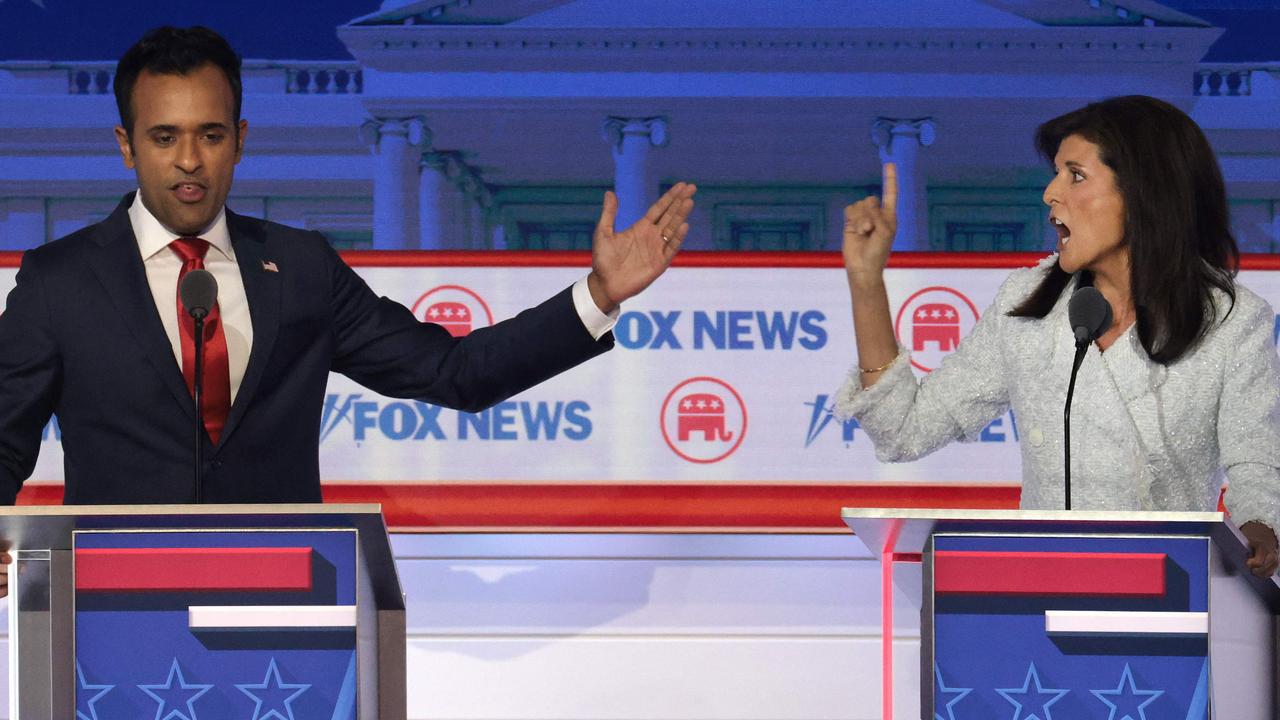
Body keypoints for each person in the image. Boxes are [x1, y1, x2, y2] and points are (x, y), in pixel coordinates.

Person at [0, 24, 696, 508]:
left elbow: (454, 373)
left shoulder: (300, 269)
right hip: (111, 616)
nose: (189, 161)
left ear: (240, 140)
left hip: (284, 619)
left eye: (210, 135)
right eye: (164, 138)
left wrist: (598, 295)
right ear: (126, 146)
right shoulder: (59, 282)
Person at [837, 95, 1280, 578]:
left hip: (1177, 597)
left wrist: (1260, 531)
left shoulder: (1233, 321)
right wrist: (866, 284)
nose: (1050, 193)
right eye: (1055, 174)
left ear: (1144, 191)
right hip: (1042, 596)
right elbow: (904, 430)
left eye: (1075, 175)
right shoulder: (1029, 304)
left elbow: (1257, 466)